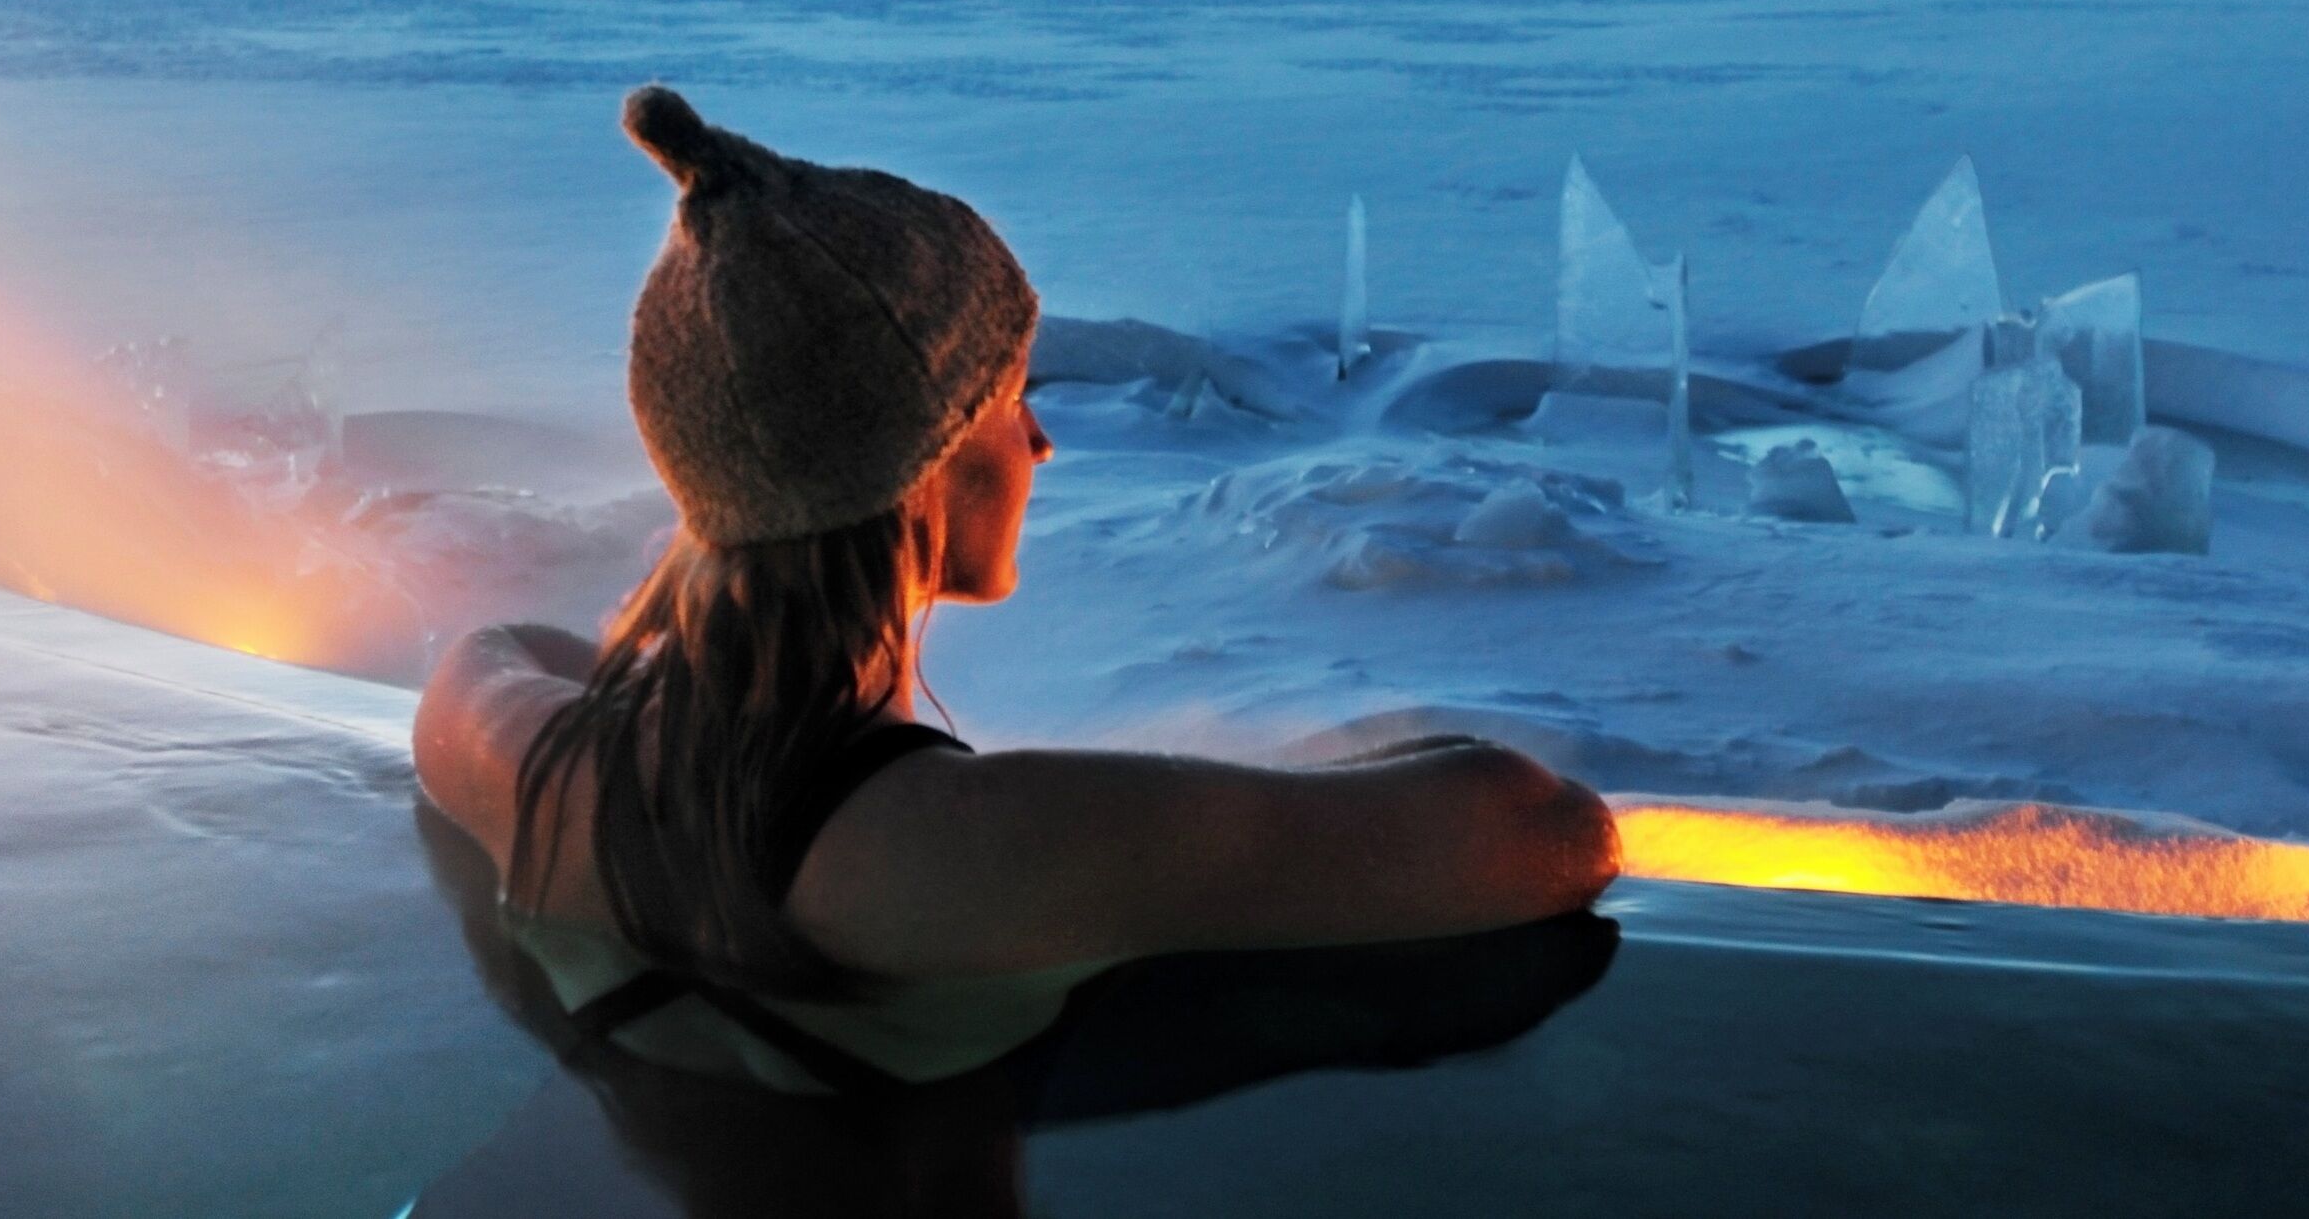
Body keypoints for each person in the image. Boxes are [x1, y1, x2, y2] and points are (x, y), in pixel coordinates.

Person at [415, 85, 1618, 1099]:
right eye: (1007, 397)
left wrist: (693, 648)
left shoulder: (524, 758)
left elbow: (498, 645)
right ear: (917, 462)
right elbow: (1548, 827)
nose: (1040, 442)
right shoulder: (984, 844)